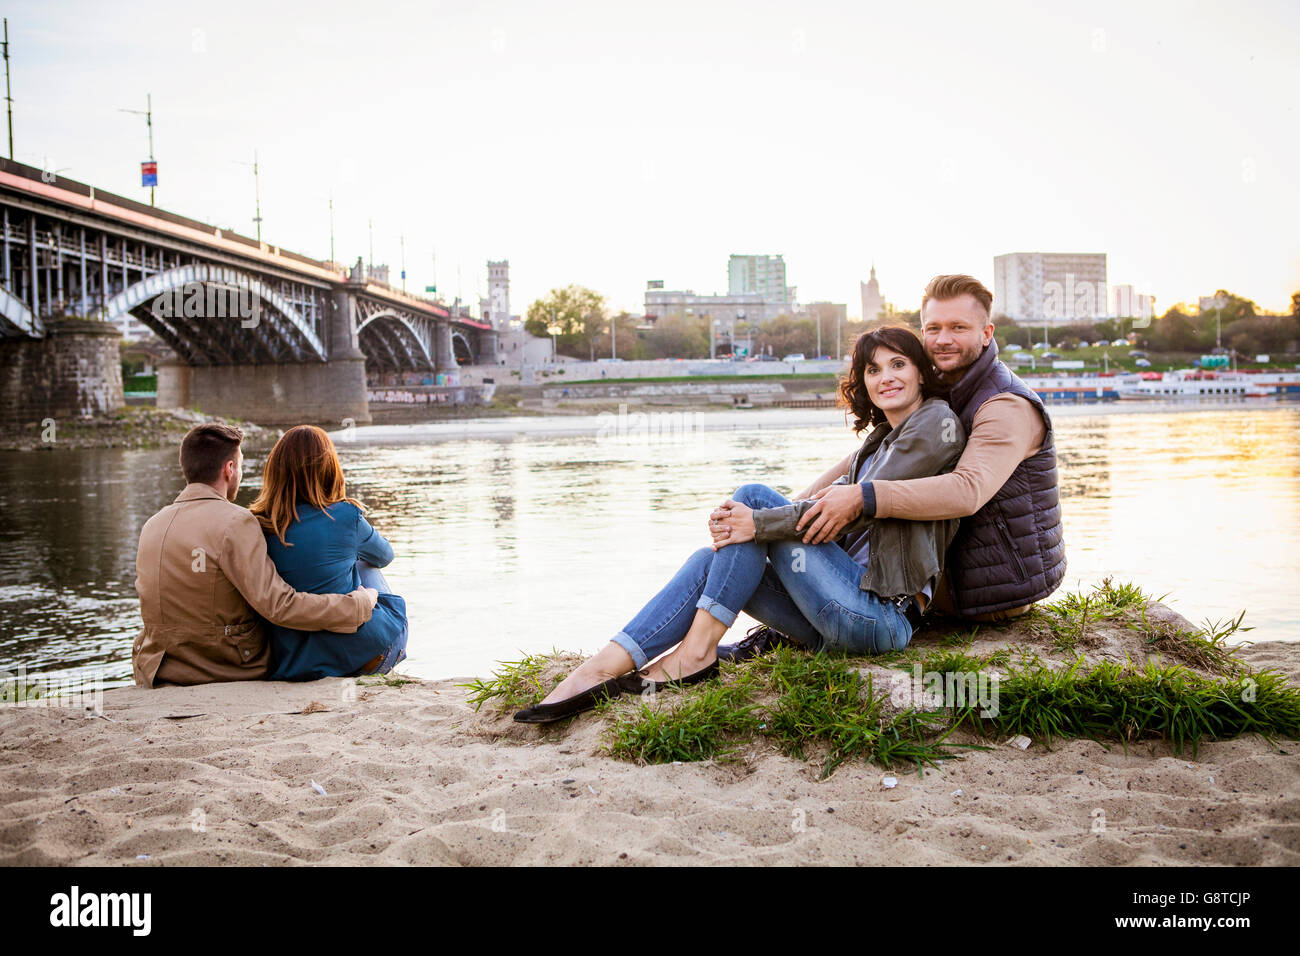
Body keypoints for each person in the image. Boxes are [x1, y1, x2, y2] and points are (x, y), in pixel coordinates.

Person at [513, 325, 966, 724]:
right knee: (710, 557)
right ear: (863, 383)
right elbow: (823, 513)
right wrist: (744, 526)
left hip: (880, 618)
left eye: (898, 364)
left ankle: (694, 654)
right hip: (837, 616)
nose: (885, 377)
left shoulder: (935, 424)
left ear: (921, 372)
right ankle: (602, 666)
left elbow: (850, 508)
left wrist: (755, 520)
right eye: (872, 370)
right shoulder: (878, 443)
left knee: (752, 500)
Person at [736, 273, 1065, 624]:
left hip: (991, 588)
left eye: (958, 328)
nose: (943, 339)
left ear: (986, 334)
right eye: (933, 328)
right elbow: (868, 457)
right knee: (795, 512)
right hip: (946, 572)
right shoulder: (944, 386)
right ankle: (782, 629)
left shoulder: (1004, 405)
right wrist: (794, 505)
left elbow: (968, 491)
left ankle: (800, 624)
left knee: (860, 509)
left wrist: (863, 497)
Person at [133, 423, 378, 688]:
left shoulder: (152, 525)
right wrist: (357, 605)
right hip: (220, 667)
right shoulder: (236, 522)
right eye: (239, 466)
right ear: (229, 469)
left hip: (159, 666)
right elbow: (280, 606)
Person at [249, 425, 409, 681]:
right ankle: (373, 650)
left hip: (295, 664)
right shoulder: (346, 515)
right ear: (329, 468)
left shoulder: (257, 525)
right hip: (367, 655)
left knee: (339, 557)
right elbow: (385, 556)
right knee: (362, 561)